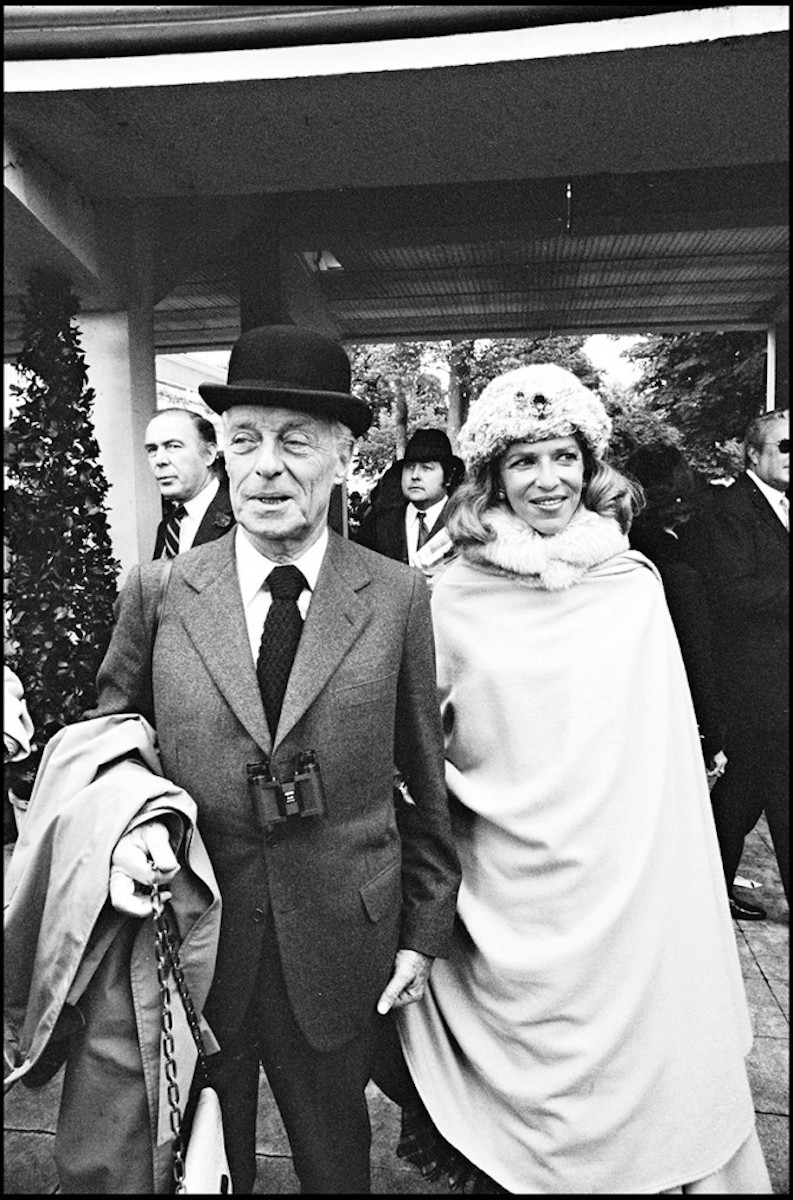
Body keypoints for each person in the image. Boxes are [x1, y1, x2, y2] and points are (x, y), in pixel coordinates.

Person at [53, 323, 461, 1194]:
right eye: (244, 441)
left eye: (294, 442)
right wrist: (128, 832)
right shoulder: (160, 590)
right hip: (195, 936)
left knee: (334, 1163)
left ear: (344, 458)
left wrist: (423, 934)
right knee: (200, 1166)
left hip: (342, 942)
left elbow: (423, 778)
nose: (265, 466)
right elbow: (109, 736)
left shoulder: (394, 595)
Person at [392, 363, 771, 1194]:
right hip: (504, 890)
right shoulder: (446, 596)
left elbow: (661, 751)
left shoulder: (631, 589)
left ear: (590, 465)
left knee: (641, 1066)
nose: (547, 480)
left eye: (562, 456)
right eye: (522, 461)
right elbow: (422, 745)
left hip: (624, 886)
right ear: (490, 476)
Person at [680, 408, 789, 920]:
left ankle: (708, 890)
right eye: (784, 447)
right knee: (740, 798)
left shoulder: (781, 505)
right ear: (752, 453)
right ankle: (705, 891)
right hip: (750, 686)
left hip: (778, 686)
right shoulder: (728, 511)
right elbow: (732, 597)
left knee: (753, 795)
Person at [625, 442, 727, 781]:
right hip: (677, 711)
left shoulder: (626, 552)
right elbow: (698, 655)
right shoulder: (680, 570)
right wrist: (713, 736)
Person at [355, 428, 464, 581]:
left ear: (449, 476)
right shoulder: (378, 524)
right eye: (409, 467)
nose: (414, 476)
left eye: (426, 468)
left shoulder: (466, 523)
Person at [145, 406, 234, 558]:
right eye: (152, 449)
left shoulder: (240, 518)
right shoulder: (168, 527)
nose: (160, 460)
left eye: (173, 446)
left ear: (209, 454)